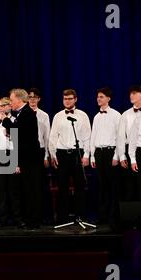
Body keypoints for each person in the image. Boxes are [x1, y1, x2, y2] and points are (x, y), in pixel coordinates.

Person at [49, 89, 91, 224]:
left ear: (75, 99)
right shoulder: (58, 116)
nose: (67, 101)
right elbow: (53, 137)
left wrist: (86, 155)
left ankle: (80, 215)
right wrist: (52, 154)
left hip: (77, 153)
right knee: (62, 186)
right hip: (61, 153)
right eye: (65, 99)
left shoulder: (83, 115)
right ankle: (62, 217)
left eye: (70, 98)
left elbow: (87, 137)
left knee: (79, 186)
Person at [2, 89, 42, 228]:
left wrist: (6, 121)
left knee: (31, 190)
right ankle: (29, 219)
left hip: (29, 159)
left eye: (12, 100)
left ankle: (33, 221)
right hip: (25, 157)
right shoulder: (22, 113)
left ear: (19, 100)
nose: (10, 103)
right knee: (25, 190)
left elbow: (18, 132)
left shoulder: (27, 113)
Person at [0, 97, 21, 226]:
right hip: (0, 155)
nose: (1, 108)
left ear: (10, 106)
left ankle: (17, 218)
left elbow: (18, 143)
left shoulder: (16, 121)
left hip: (12, 155)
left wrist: (17, 163)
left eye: (4, 105)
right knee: (1, 191)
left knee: (14, 190)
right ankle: (3, 218)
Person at [90, 87, 121, 225]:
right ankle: (102, 216)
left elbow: (119, 137)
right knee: (101, 186)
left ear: (108, 98)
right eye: (98, 96)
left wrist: (117, 156)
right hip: (99, 153)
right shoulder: (96, 116)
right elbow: (93, 137)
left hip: (111, 152)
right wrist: (92, 156)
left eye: (101, 96)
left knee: (113, 186)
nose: (98, 99)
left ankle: (114, 216)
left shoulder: (116, 115)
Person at [27, 88, 52, 224]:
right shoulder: (21, 114)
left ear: (39, 99)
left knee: (39, 185)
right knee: (28, 186)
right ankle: (29, 216)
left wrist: (46, 156)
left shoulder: (44, 115)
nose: (32, 99)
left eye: (35, 97)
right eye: (30, 97)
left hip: (40, 151)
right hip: (26, 152)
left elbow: (47, 137)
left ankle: (42, 216)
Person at [118, 85, 141, 201]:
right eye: (130, 93)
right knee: (130, 183)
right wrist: (121, 155)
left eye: (134, 93)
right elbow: (120, 136)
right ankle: (131, 216)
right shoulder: (125, 114)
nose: (131, 95)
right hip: (130, 149)